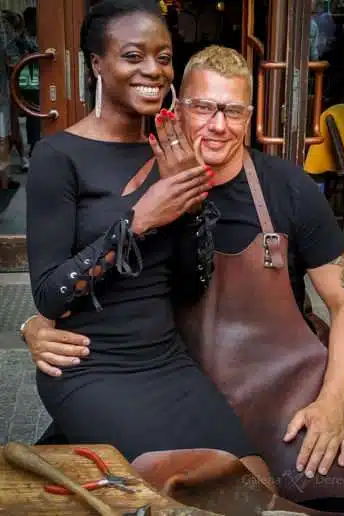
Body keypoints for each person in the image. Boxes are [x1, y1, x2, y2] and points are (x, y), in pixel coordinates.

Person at [24, 43, 344, 486]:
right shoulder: (142, 189)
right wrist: (36, 324)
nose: (219, 126)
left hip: (273, 399)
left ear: (250, 117)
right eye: (204, 107)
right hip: (155, 393)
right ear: (177, 110)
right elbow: (81, 274)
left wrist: (335, 400)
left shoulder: (288, 189)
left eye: (233, 111)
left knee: (322, 490)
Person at [25, 0, 273, 486]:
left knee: (252, 476)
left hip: (166, 362)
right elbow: (50, 294)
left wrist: (190, 206)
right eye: (133, 56)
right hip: (90, 368)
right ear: (97, 63)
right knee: (175, 486)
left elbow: (190, 286)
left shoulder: (172, 151)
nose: (153, 71)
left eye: (163, 57)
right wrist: (138, 220)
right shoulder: (58, 156)